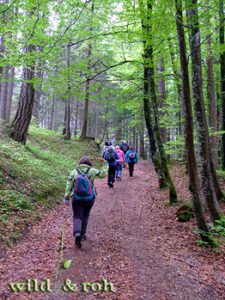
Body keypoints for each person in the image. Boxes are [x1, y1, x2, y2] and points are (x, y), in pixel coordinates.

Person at [63, 156, 108, 249]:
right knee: (85, 215)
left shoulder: (74, 171)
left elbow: (69, 184)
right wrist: (105, 163)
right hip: (89, 198)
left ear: (80, 163)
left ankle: (77, 233)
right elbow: (103, 174)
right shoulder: (92, 171)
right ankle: (83, 235)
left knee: (77, 216)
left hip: (76, 197)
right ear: (89, 164)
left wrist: (66, 197)